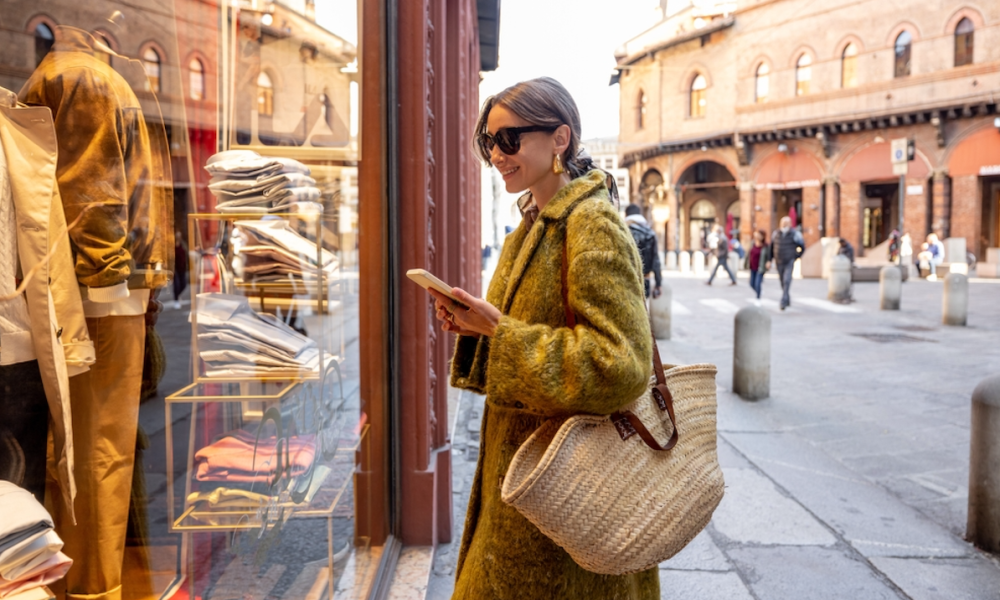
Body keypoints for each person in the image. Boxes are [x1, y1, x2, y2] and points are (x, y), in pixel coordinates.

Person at [428, 77, 658, 600]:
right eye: (489, 143)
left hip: (571, 497)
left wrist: (500, 332)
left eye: (509, 140)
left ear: (560, 138)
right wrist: (476, 327)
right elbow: (525, 334)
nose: (497, 155)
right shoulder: (531, 226)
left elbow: (620, 365)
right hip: (526, 486)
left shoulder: (591, 224)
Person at [624, 204, 662, 298]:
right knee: (644, 309)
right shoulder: (650, 233)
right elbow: (655, 261)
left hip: (625, 281)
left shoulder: (623, 231)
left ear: (626, 215)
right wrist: (658, 284)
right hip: (645, 280)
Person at [770, 216, 804, 310]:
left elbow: (802, 247)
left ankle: (783, 301)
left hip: (789, 260)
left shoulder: (795, 234)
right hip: (779, 260)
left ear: (790, 224)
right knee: (782, 280)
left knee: (787, 280)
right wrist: (770, 259)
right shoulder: (776, 233)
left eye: (786, 222)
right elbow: (771, 247)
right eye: (783, 222)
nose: (784, 224)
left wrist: (796, 256)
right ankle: (787, 297)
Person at [747, 230, 770, 299]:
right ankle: (759, 291)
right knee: (751, 284)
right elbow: (749, 254)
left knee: (757, 284)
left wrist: (769, 261)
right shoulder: (752, 243)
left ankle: (758, 298)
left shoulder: (766, 246)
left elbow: (769, 256)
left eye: (760, 235)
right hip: (752, 266)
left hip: (760, 267)